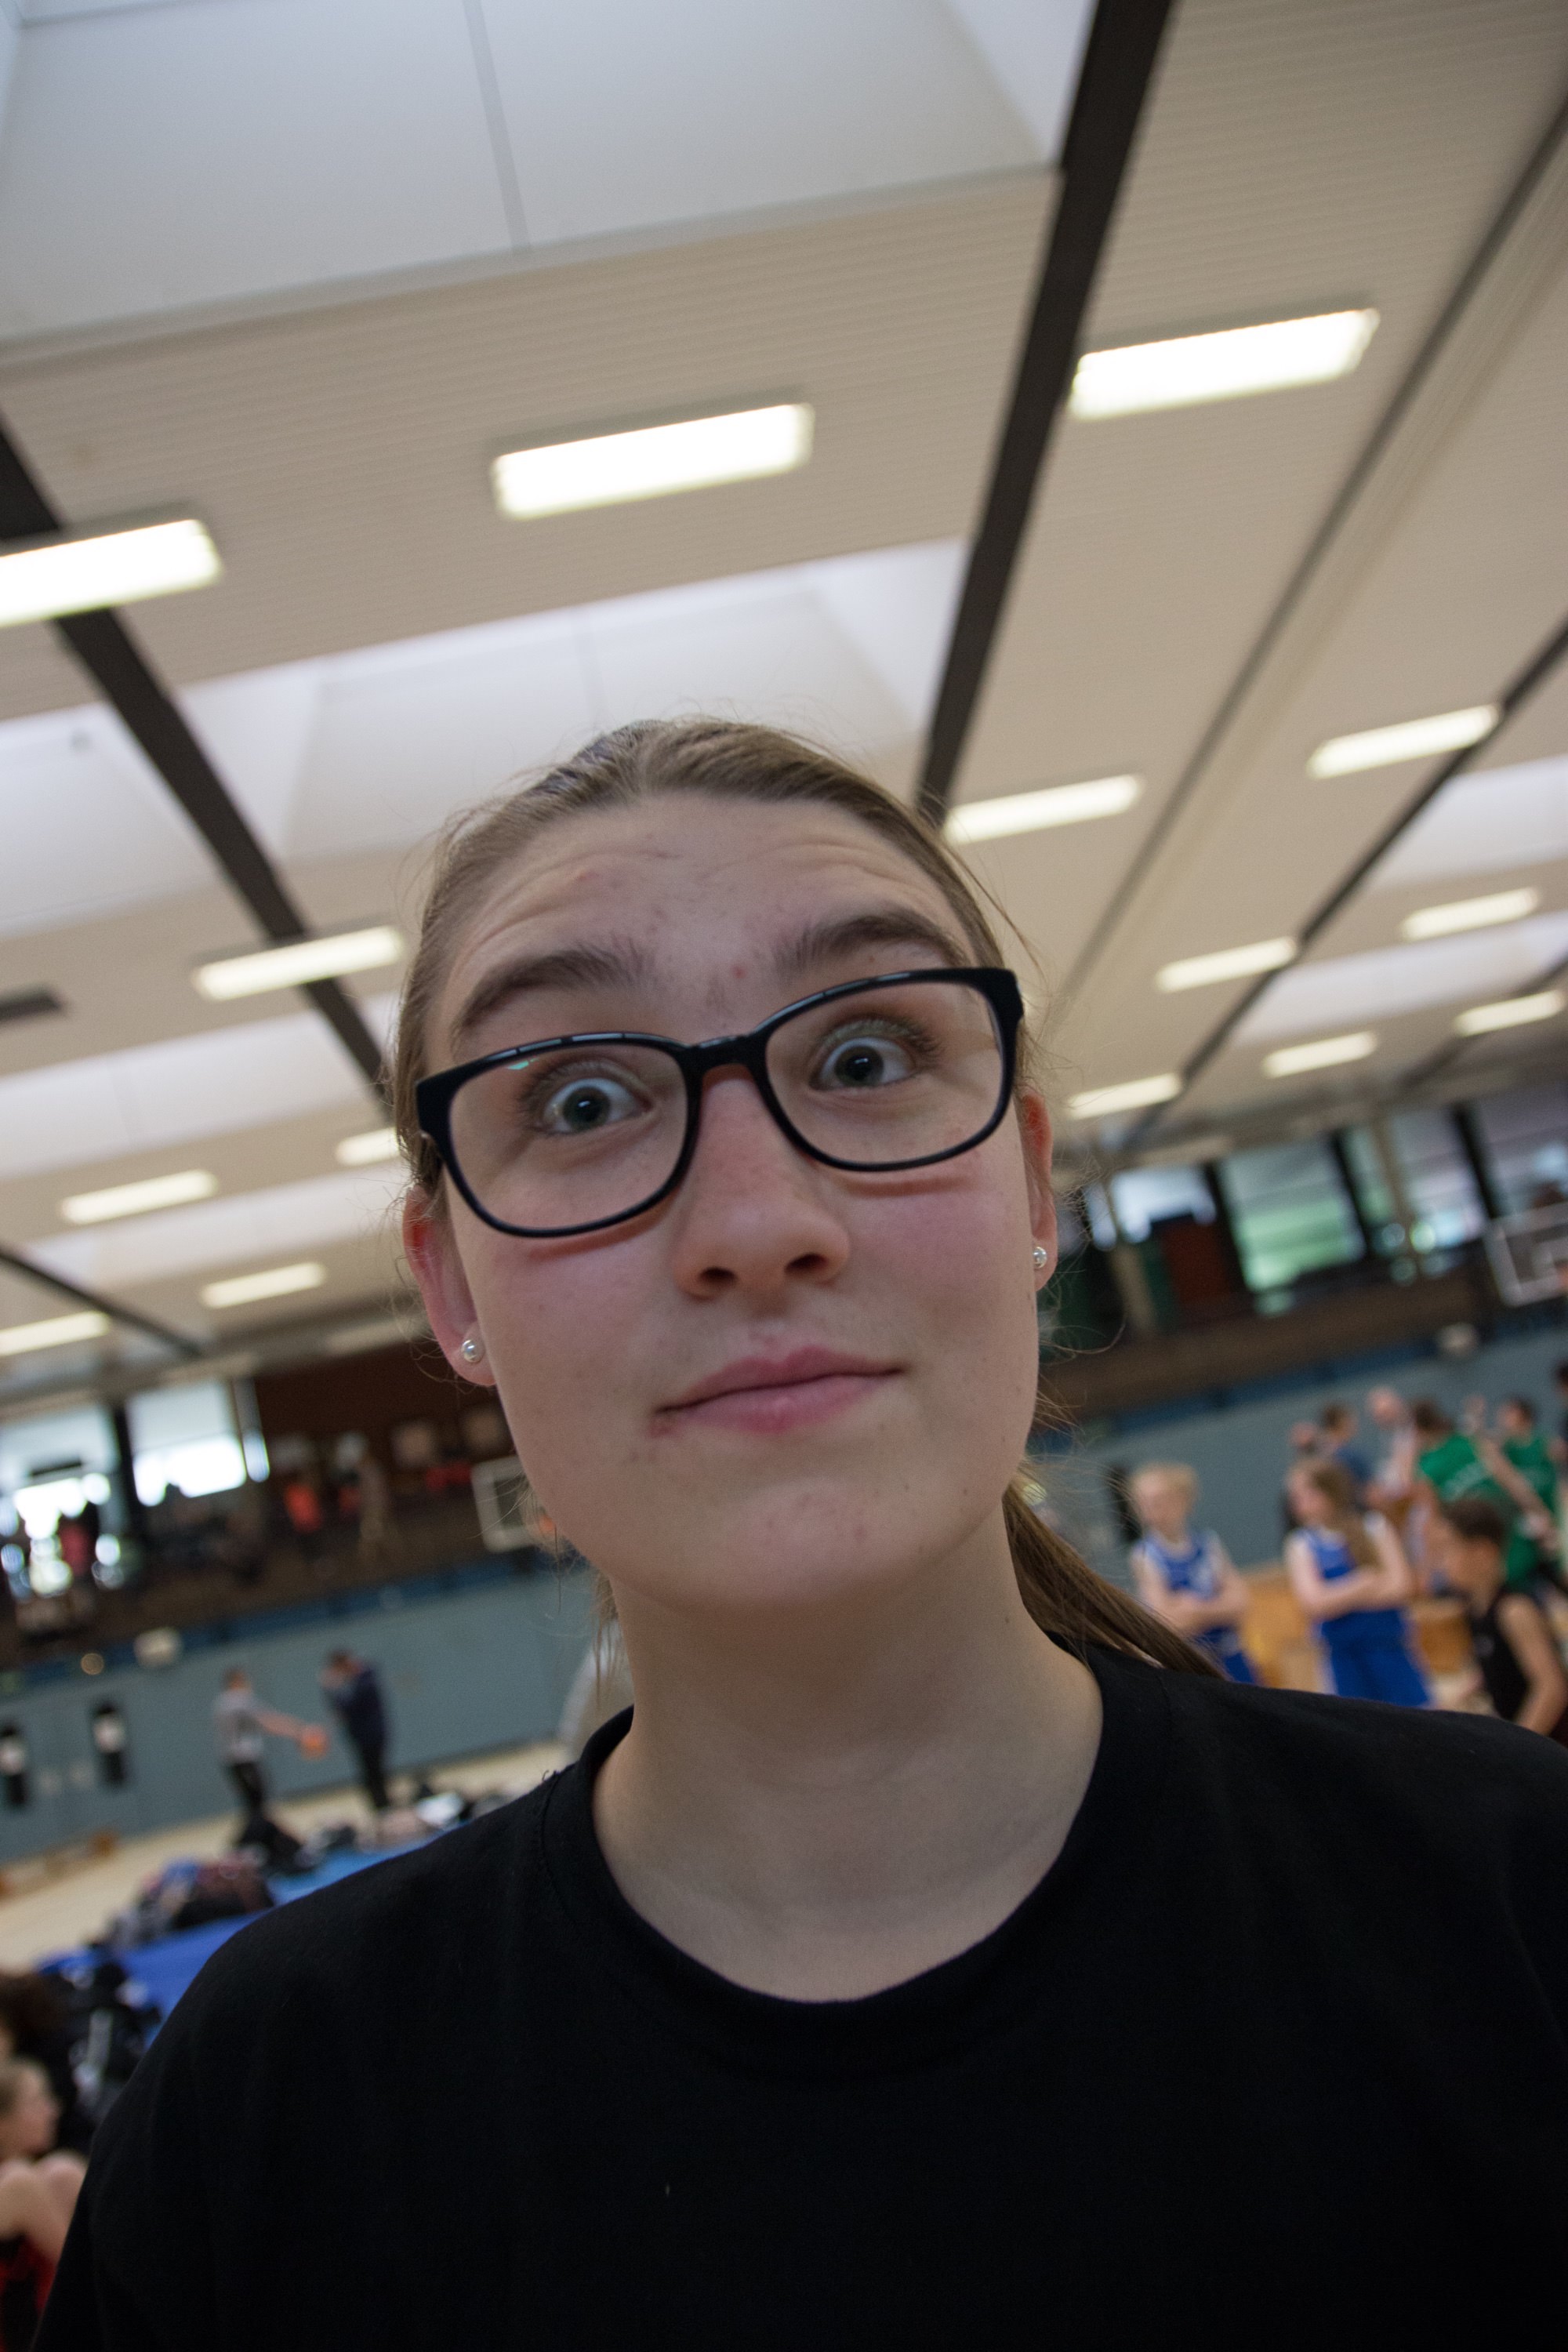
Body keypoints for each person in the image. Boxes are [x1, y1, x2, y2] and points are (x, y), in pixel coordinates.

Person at [40, 720, 1568, 2347]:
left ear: (1032, 1187)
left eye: (863, 1059)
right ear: (449, 1286)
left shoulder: (1513, 1902)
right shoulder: (258, 2126)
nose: (758, 1224)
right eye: (581, 1100)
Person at [1284, 1460, 1428, 1705]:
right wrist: (1364, 1583)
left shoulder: (1374, 1526)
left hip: (1389, 1649)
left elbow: (1401, 1586)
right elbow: (1314, 1604)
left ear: (1330, 1491)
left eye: (1306, 1492)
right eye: (1294, 1496)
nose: (1299, 1502)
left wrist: (1339, 1597)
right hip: (1344, 1658)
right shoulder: (1302, 1544)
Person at [1432, 1497, 1568, 1741]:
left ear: (1482, 1553)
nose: (1442, 1564)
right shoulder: (1476, 1609)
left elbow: (1551, 1688)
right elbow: (1499, 1665)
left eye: (1448, 1549)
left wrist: (1517, 1745)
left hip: (1549, 1747)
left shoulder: (1514, 1610)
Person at [1127, 1463, 1256, 1682]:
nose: (1152, 1509)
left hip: (1231, 1655)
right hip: (1192, 1664)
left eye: (1159, 1500)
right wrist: (1217, 1606)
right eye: (1143, 1503)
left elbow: (1241, 1603)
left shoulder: (1208, 1543)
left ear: (1183, 1499)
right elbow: (1168, 1622)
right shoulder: (1145, 1555)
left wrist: (1195, 1608)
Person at [0, 2058, 85, 2350]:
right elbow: (90, 2274)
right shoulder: (17, 2183)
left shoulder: (41, 2177)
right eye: (36, 2102)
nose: (52, 2110)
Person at [212, 1667, 321, 1835]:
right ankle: (256, 1837)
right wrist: (300, 1731)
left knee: (254, 1804)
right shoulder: (238, 1700)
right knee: (258, 1804)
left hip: (233, 1759)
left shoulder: (221, 1702)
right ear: (236, 1682)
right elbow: (268, 1721)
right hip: (244, 1758)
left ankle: (259, 1836)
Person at [319, 1652, 390, 1812]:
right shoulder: (359, 1680)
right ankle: (382, 1806)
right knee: (372, 1774)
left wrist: (332, 1690)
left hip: (370, 1735)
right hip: (365, 1735)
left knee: (374, 1774)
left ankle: (383, 1807)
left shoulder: (365, 1681)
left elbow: (348, 1707)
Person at [1316, 1402, 1370, 1500]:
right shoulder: (1349, 1456)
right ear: (1342, 1422)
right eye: (1351, 1420)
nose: (1355, 1424)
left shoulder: (1321, 1456)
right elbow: (1370, 1491)